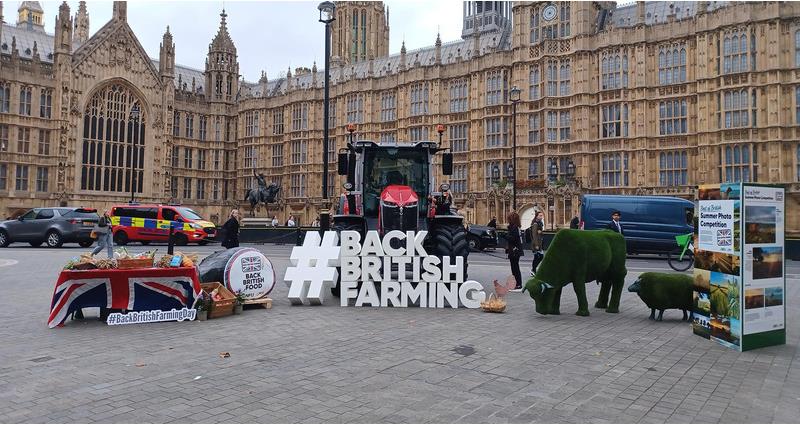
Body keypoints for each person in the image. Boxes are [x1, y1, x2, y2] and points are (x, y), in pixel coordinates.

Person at [505, 211, 524, 290]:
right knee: (514, 267)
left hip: (515, 251)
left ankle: (518, 284)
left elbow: (513, 239)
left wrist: (504, 236)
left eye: (509, 219)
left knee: (515, 268)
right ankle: (517, 283)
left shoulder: (514, 228)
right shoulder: (515, 227)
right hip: (515, 250)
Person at [530, 211, 545, 276]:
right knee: (539, 257)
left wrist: (540, 232)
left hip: (539, 242)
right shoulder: (535, 224)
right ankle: (533, 270)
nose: (541, 217)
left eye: (542, 215)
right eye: (540, 215)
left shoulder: (540, 223)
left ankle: (533, 270)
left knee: (538, 257)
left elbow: (540, 233)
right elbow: (534, 235)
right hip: (536, 243)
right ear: (536, 216)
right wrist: (536, 245)